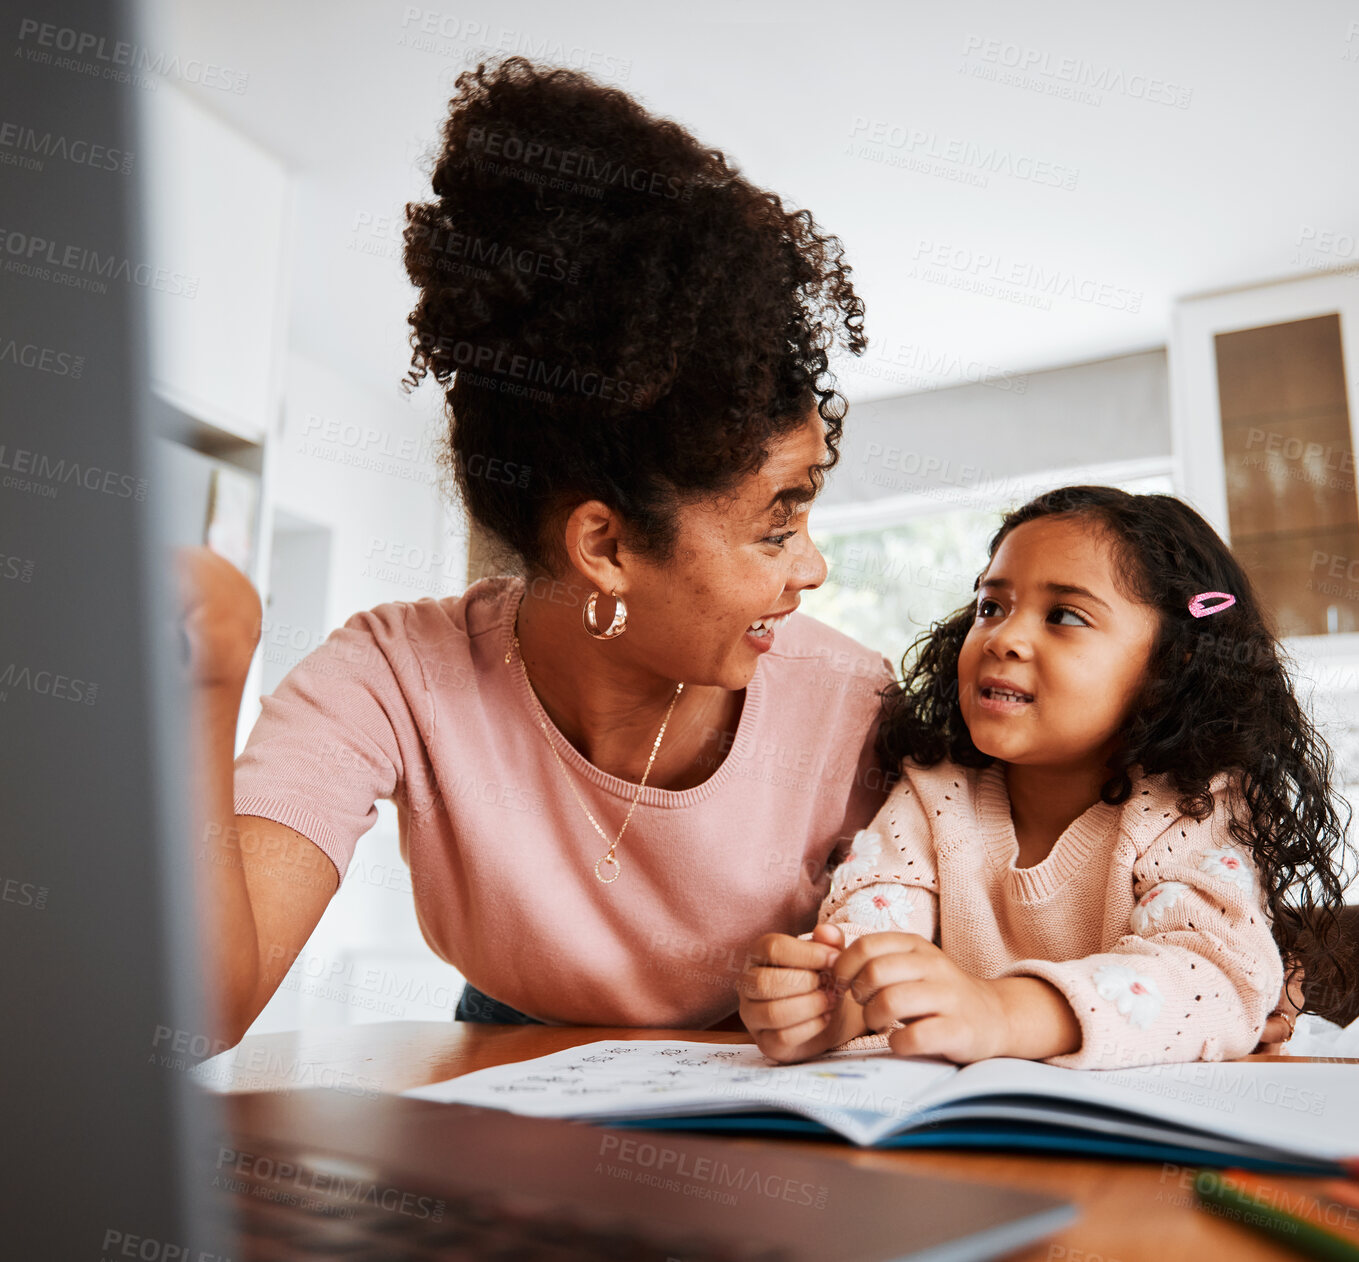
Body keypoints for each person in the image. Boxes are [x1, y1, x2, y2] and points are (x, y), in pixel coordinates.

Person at [178, 57, 891, 1047]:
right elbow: (200, 1010)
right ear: (605, 544)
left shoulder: (857, 710)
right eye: (776, 523)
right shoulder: (389, 678)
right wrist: (203, 687)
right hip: (499, 1071)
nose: (812, 568)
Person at [739, 486, 1354, 1067]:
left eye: (1064, 614)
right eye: (991, 606)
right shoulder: (934, 793)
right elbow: (875, 928)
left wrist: (1001, 1012)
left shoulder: (1194, 805)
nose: (1003, 637)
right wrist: (827, 1001)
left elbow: (1213, 979)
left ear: (1170, 666)